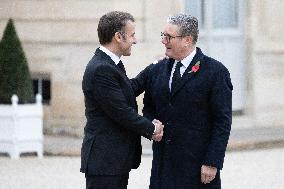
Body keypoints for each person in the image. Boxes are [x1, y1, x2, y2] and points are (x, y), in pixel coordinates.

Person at [132, 13, 233, 189]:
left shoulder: (215, 72)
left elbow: (222, 121)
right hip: (163, 166)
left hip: (197, 167)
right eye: (163, 35)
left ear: (187, 40)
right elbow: (148, 106)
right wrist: (150, 123)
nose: (163, 41)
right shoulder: (158, 68)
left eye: (169, 37)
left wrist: (212, 162)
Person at [80, 11, 164, 189]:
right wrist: (152, 128)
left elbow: (128, 89)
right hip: (105, 162)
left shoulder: (110, 63)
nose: (135, 40)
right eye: (132, 35)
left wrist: (155, 67)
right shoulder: (101, 68)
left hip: (113, 161)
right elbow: (121, 112)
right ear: (118, 36)